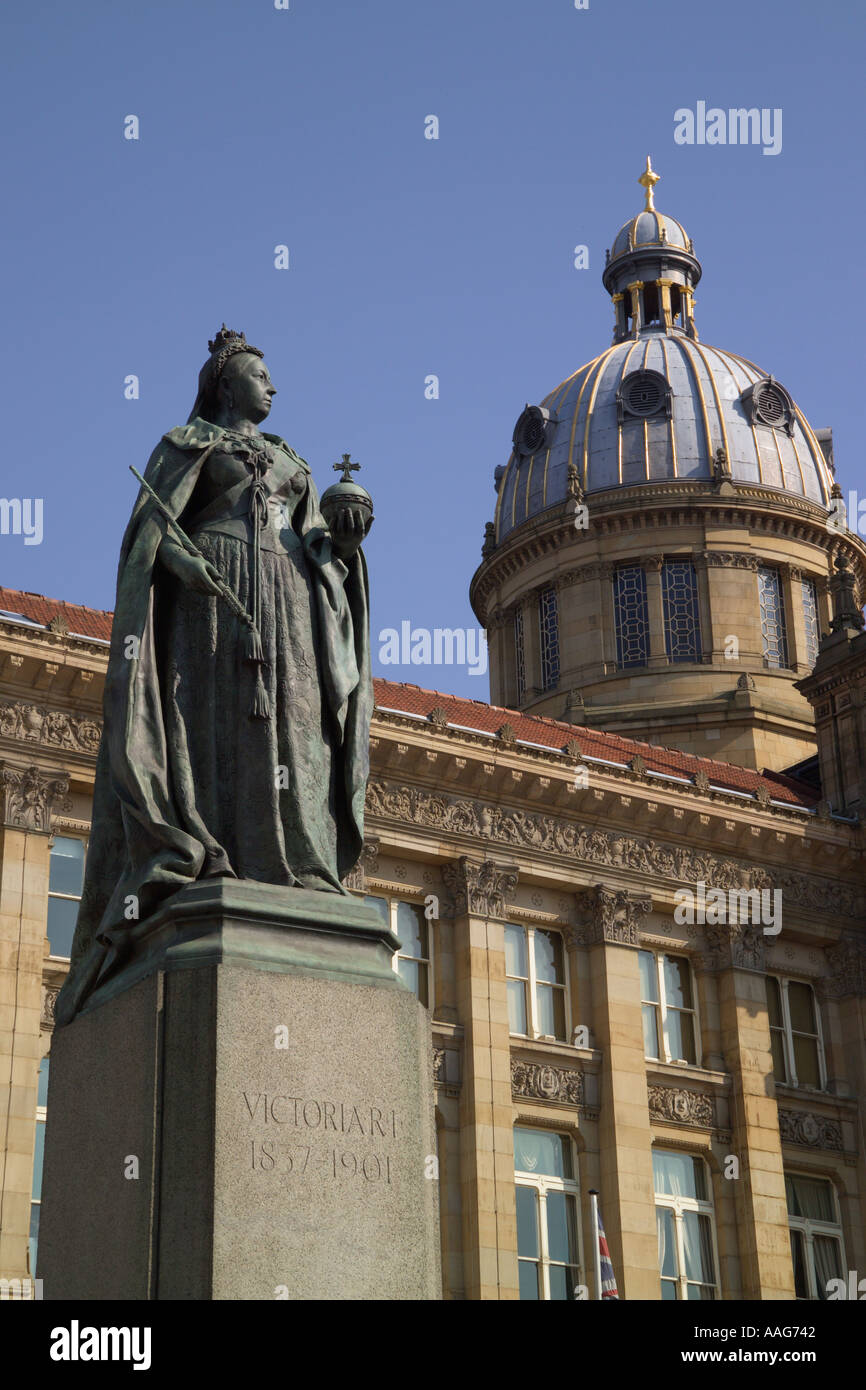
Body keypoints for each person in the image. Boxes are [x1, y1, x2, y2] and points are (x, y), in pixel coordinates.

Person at [56, 327, 372, 1024]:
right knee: (215, 726)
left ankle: (296, 863)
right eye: (262, 375)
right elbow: (150, 532)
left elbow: (318, 539)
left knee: (295, 728)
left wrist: (343, 543)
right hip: (212, 596)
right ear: (228, 384)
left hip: (289, 598)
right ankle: (215, 849)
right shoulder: (185, 445)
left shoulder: (292, 459)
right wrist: (179, 560)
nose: (274, 387)